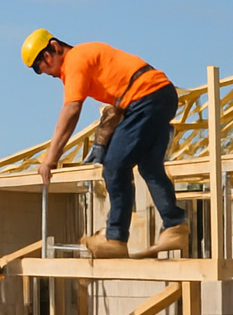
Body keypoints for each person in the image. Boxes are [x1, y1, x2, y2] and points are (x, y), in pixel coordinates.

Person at [20, 30, 188, 259]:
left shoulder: (75, 60)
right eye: (38, 69)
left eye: (43, 61)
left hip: (145, 97)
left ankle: (115, 238)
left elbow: (71, 110)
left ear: (55, 46)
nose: (46, 69)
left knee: (115, 166)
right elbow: (119, 88)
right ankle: (175, 226)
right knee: (149, 166)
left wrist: (50, 159)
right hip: (162, 94)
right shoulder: (87, 55)